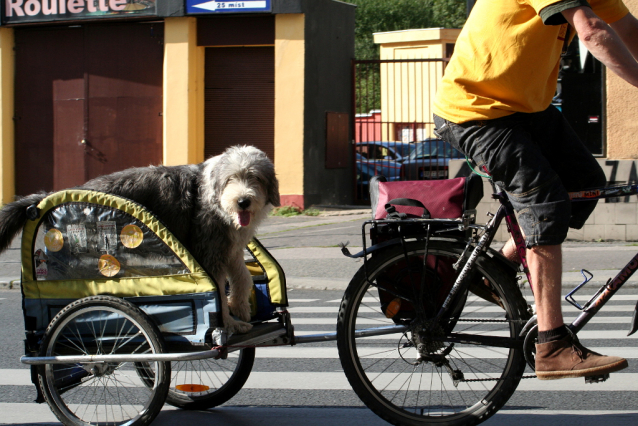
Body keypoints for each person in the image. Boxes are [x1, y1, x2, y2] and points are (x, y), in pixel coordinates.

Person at [433, 0, 638, 380]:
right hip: (476, 112)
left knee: (586, 183)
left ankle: (500, 266)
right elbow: (591, 31)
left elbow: (629, 31)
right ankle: (553, 344)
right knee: (545, 203)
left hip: (524, 109)